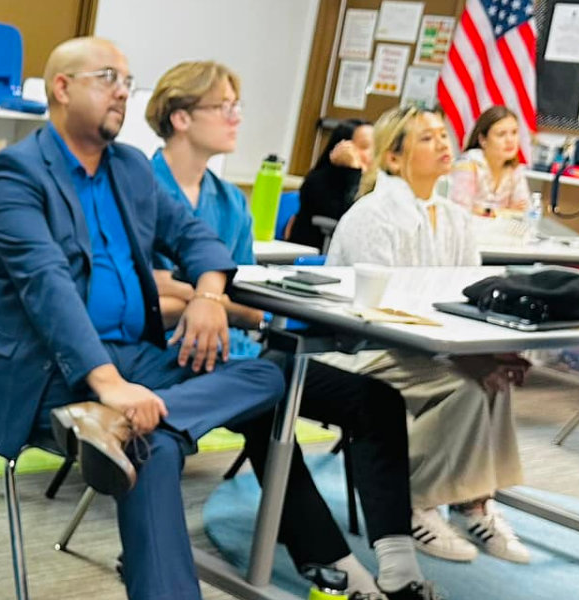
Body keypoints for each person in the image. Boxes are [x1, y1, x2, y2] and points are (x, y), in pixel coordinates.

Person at [0, 38, 440, 600]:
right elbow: (48, 289)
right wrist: (109, 386)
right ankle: (130, 428)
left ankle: (129, 425)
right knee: (156, 448)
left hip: (136, 362)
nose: (122, 91)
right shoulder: (17, 173)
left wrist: (209, 297)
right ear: (62, 88)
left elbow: (196, 239)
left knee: (274, 376)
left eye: (126, 79)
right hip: (49, 374)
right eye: (108, 77)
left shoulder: (129, 168)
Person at [142, 60, 428, 598]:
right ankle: (334, 563)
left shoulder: (230, 202)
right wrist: (207, 297)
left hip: (241, 348)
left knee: (375, 400)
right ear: (180, 117)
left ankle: (398, 562)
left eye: (236, 106)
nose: (236, 118)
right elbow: (141, 292)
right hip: (165, 355)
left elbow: (245, 299)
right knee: (269, 403)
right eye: (222, 107)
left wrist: (200, 296)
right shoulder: (138, 186)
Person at [323, 105, 533, 564]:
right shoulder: (372, 216)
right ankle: (413, 502)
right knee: (466, 387)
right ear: (394, 159)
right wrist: (463, 359)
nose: (443, 145)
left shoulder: (453, 217)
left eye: (444, 135)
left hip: (426, 349)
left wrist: (489, 352)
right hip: (362, 349)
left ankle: (473, 502)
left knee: (493, 381)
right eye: (427, 138)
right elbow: (380, 315)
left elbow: (469, 296)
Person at [285, 119, 373, 248]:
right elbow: (353, 219)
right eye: (365, 146)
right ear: (342, 147)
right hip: (315, 258)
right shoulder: (318, 181)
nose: (374, 154)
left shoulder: (377, 183)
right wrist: (353, 171)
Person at [446, 106, 531, 217]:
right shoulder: (467, 165)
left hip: (501, 232)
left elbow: (523, 211)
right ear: (483, 140)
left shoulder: (515, 170)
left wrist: (485, 211)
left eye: (514, 132)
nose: (510, 140)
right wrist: (502, 212)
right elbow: (460, 211)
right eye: (501, 134)